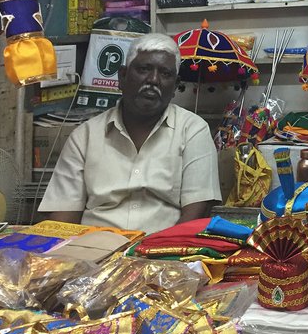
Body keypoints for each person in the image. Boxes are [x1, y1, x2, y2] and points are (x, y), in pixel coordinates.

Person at [38, 33, 222, 233]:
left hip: (162, 253)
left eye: (165, 74)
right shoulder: (85, 136)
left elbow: (196, 213)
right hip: (94, 254)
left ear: (175, 86)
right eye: (144, 69)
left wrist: (161, 255)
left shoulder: (193, 130)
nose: (153, 80)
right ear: (122, 76)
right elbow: (63, 220)